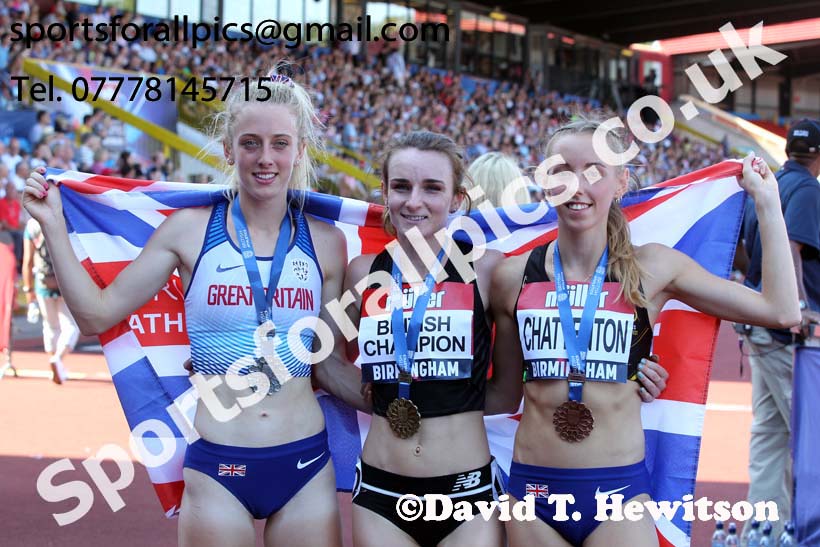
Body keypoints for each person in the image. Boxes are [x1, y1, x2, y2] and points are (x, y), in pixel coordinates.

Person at [23, 69, 346, 547]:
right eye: (251, 143)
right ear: (228, 150)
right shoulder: (188, 231)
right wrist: (52, 224)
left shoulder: (329, 243)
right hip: (219, 466)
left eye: (280, 143)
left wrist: (407, 405)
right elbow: (96, 314)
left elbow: (329, 366)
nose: (265, 158)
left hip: (305, 465)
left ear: (299, 151)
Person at [316, 131, 669, 547]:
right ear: (384, 191)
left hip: (469, 494)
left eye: (432, 188)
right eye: (401, 187)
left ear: (456, 199)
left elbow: (522, 371)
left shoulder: (489, 271)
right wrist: (385, 401)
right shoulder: (362, 273)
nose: (414, 202)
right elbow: (325, 362)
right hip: (381, 488)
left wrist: (633, 366)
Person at [490, 115, 801, 547]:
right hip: (533, 495)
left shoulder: (652, 267)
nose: (577, 186)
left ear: (621, 183)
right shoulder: (509, 278)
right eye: (562, 170)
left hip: (619, 493)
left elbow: (780, 309)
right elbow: (503, 391)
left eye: (595, 172)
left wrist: (768, 201)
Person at [739, 118, 820, 541]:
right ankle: (807, 531)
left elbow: (743, 247)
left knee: (769, 433)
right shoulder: (807, 189)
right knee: (810, 433)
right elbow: (792, 247)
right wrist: (802, 309)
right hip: (790, 332)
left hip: (759, 323)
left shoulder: (770, 185)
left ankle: (764, 530)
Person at [21, 216, 80, 384]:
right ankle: (58, 358)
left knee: (50, 326)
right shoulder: (63, 220)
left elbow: (27, 261)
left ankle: (53, 363)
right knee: (70, 325)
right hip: (64, 281)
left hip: (42, 282)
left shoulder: (31, 226)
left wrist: (28, 290)